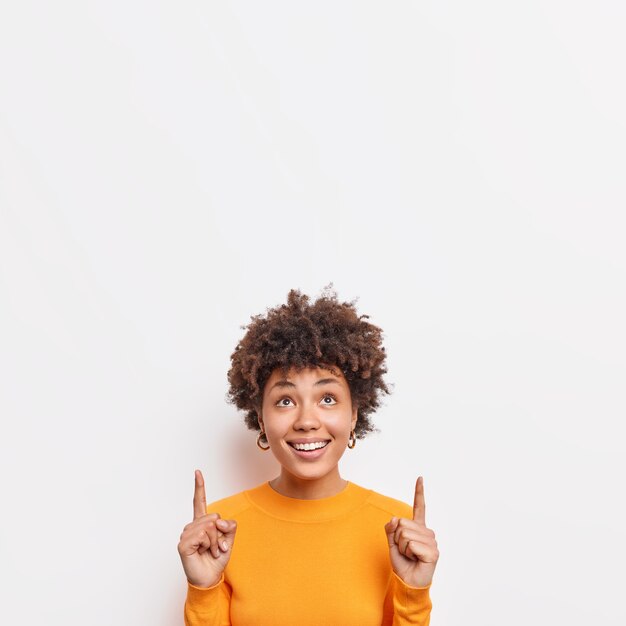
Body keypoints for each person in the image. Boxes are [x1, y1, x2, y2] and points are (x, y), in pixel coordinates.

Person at [177, 285, 439, 625]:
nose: (306, 421)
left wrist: (413, 593)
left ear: (355, 413)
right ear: (260, 417)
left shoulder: (397, 528)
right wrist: (204, 587)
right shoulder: (220, 530)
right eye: (285, 401)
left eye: (327, 398)